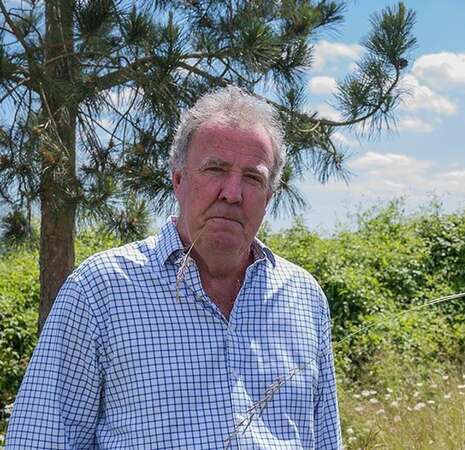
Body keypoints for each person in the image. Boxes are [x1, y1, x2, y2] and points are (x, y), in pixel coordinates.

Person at [7, 86, 343, 449]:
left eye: (252, 178)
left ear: (269, 197)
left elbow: (324, 439)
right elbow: (40, 439)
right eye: (215, 169)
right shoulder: (100, 290)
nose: (232, 192)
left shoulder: (303, 297)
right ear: (178, 180)